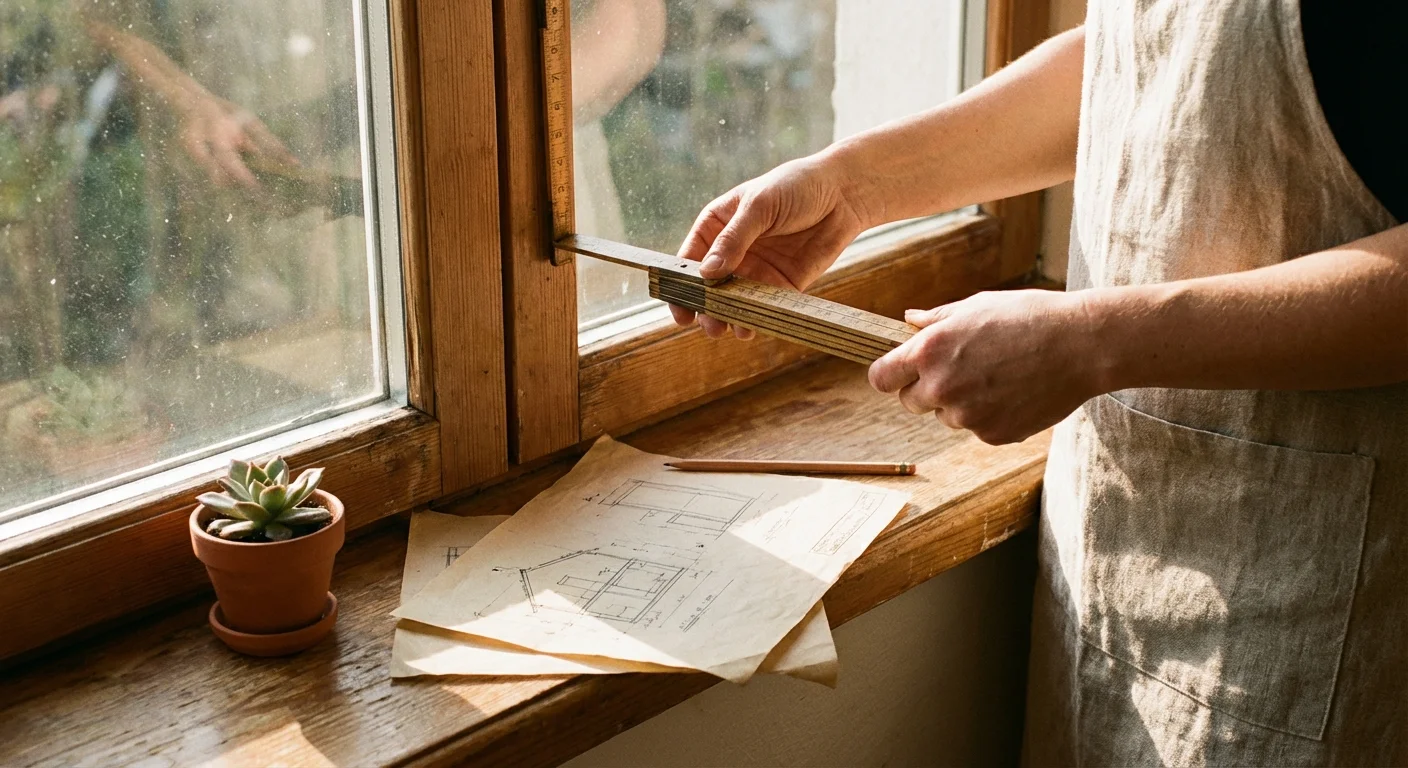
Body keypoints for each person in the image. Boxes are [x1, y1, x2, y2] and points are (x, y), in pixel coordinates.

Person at [667, 1, 1407, 764]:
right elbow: (1148, 55)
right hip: (1117, 548)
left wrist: (1095, 341)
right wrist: (855, 185)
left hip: (1324, 584)